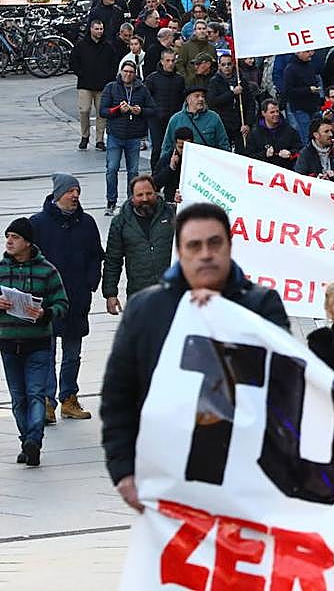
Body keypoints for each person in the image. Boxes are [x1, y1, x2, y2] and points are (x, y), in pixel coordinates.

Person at [101, 202, 289, 511]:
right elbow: (118, 396)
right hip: (169, 479)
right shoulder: (146, 309)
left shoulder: (261, 305)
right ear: (180, 252)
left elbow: (284, 383)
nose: (205, 254)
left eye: (214, 243)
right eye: (194, 245)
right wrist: (123, 471)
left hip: (247, 480)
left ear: (229, 246)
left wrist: (223, 316)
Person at [0, 218, 69, 467]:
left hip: (37, 343)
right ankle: (26, 440)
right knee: (18, 398)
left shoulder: (47, 271)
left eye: (15, 237)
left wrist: (44, 313)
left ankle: (34, 442)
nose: (9, 241)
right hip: (9, 343)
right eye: (7, 236)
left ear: (28, 243)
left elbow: (62, 304)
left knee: (36, 395)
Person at [29, 174, 103, 424]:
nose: (75, 196)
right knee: (46, 353)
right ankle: (48, 402)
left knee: (73, 352)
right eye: (70, 191)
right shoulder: (38, 224)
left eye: (77, 191)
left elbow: (96, 255)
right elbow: (27, 258)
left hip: (77, 298)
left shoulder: (87, 223)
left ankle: (69, 398)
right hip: (46, 302)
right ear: (58, 194)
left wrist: (92, 282)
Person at [102, 173, 176, 317]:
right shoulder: (120, 222)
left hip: (172, 293)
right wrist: (110, 294)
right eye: (140, 195)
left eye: (149, 193)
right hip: (140, 295)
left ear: (155, 192)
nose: (145, 198)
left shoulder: (172, 213)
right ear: (132, 197)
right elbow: (113, 260)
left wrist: (184, 200)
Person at [99, 61, 156, 216]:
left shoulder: (142, 89)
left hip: (134, 136)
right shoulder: (111, 87)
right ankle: (111, 201)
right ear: (120, 71)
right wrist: (117, 111)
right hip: (115, 135)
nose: (128, 74)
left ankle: (132, 202)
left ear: (135, 73)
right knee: (112, 169)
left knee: (133, 171)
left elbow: (153, 109)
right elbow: (103, 111)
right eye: (125, 71)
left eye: (131, 72)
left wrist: (141, 111)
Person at [70, 19, 118, 151]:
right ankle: (85, 135)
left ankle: (100, 139)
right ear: (91, 29)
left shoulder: (108, 46)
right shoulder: (81, 45)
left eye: (101, 29)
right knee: (84, 110)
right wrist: (80, 73)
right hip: (85, 83)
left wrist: (109, 78)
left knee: (101, 113)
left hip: (103, 85)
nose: (99, 32)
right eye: (96, 29)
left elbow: (114, 64)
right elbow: (73, 61)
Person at [143, 48, 186, 173]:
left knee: (173, 148)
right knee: (157, 147)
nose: (170, 63)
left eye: (173, 60)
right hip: (156, 119)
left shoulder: (179, 79)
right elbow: (146, 97)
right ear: (162, 61)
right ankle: (155, 175)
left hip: (173, 119)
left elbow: (182, 97)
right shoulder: (152, 78)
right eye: (167, 60)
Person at [161, 85, 230, 157]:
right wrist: (163, 165)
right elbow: (167, 147)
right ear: (188, 99)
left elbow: (224, 144)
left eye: (203, 96)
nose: (201, 99)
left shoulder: (214, 117)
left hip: (207, 163)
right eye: (197, 96)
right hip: (183, 164)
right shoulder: (176, 119)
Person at [207, 52, 256, 153]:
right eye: (224, 65)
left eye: (229, 64)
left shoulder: (241, 81)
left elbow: (250, 103)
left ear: (233, 64)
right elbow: (213, 102)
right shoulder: (214, 82)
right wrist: (232, 93)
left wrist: (248, 123)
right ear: (219, 66)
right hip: (222, 125)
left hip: (240, 124)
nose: (227, 67)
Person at [294, 117, 334, 186]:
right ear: (316, 135)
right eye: (326, 131)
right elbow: (299, 178)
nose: (331, 134)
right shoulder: (305, 153)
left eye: (331, 131)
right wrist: (316, 177)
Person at [249, 99, 301, 170]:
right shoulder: (255, 133)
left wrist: (290, 153)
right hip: (264, 172)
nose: (276, 114)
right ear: (263, 113)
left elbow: (300, 149)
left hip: (285, 171)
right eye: (272, 112)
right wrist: (264, 154)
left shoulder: (289, 130)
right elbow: (249, 157)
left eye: (277, 111)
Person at [282, 49, 322, 143]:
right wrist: (308, 90)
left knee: (317, 135)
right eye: (307, 52)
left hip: (313, 107)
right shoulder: (290, 69)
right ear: (298, 53)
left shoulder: (309, 65)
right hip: (300, 108)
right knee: (306, 136)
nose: (310, 54)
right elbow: (289, 91)